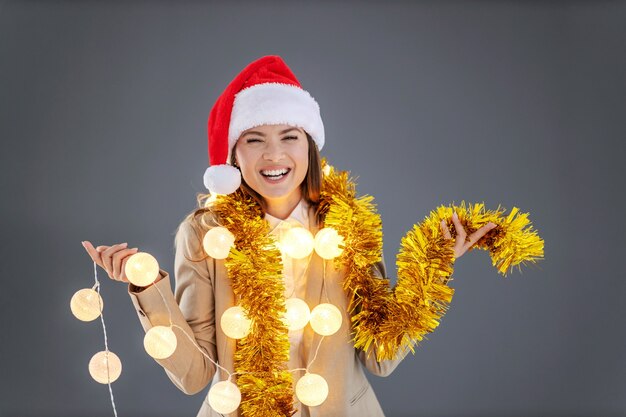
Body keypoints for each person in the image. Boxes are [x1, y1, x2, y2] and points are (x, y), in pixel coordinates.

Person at [82, 55, 496, 417]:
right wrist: (146, 287)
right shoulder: (207, 235)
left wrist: (433, 268)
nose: (274, 155)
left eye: (289, 137)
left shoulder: (346, 225)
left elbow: (379, 356)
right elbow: (195, 375)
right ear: (233, 155)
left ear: (310, 146)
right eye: (254, 140)